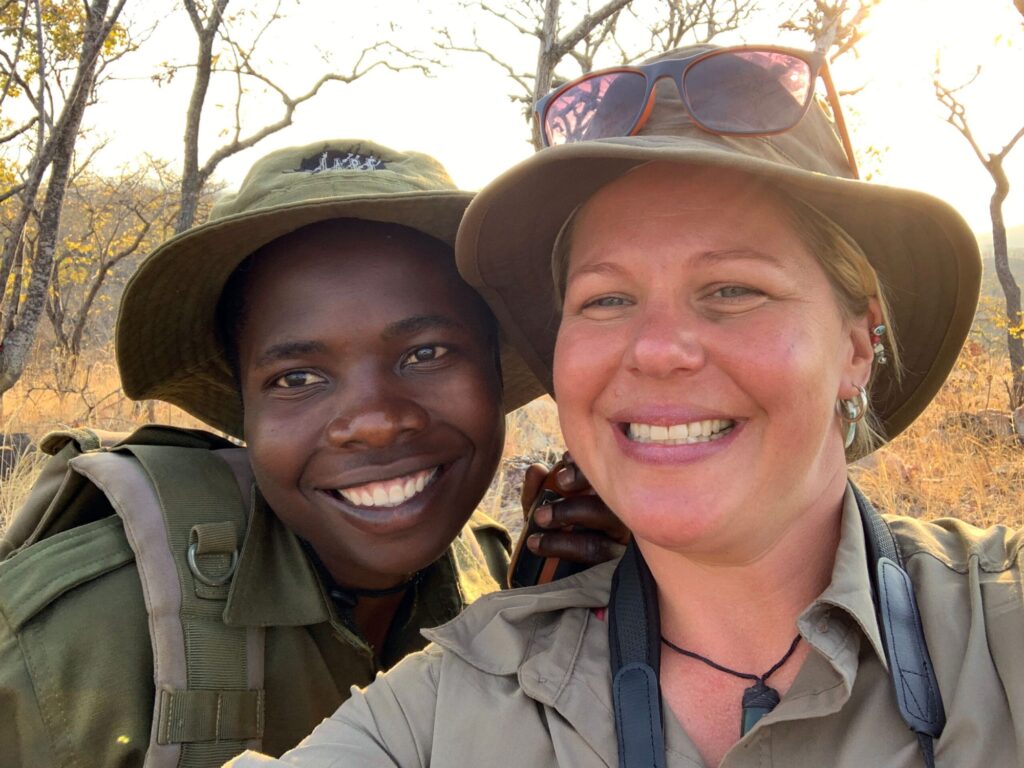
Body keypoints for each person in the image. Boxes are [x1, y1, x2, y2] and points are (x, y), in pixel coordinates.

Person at [225, 45, 1015, 768]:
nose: (657, 349)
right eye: (607, 298)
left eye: (733, 289)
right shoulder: (448, 706)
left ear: (855, 346)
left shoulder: (997, 629)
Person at [0, 139, 625, 767]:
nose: (376, 424)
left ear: (495, 369)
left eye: (426, 353)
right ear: (245, 409)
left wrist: (566, 623)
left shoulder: (490, 574)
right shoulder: (70, 641)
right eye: (298, 378)